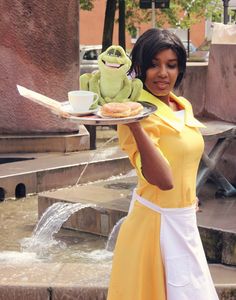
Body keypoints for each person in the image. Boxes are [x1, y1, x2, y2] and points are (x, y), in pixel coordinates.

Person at [107, 28, 219, 300]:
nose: (163, 74)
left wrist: (189, 197)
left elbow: (185, 162)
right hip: (154, 228)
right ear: (140, 68)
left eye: (171, 65)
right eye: (153, 65)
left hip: (184, 223)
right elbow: (164, 180)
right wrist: (134, 126)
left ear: (180, 68)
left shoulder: (181, 105)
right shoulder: (136, 114)